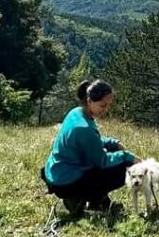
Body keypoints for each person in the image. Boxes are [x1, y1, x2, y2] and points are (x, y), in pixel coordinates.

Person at [40, 79, 137, 214]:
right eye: (103, 106)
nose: (106, 110)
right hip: (65, 181)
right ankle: (83, 199)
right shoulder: (84, 128)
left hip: (57, 171)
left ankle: (95, 199)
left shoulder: (76, 112)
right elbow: (102, 161)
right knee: (125, 168)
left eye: (108, 105)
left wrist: (113, 142)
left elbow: (91, 142)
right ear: (90, 101)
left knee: (114, 150)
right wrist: (128, 156)